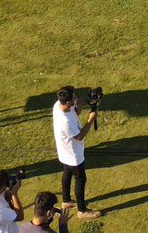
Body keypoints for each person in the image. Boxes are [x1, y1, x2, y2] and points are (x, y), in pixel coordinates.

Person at [53, 86, 101, 220]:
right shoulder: (65, 122)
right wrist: (90, 120)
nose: (76, 99)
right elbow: (79, 136)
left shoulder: (58, 104)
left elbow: (75, 113)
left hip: (64, 151)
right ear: (68, 103)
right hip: (73, 154)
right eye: (74, 98)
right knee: (80, 179)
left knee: (67, 173)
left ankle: (66, 200)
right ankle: (82, 210)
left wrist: (78, 107)